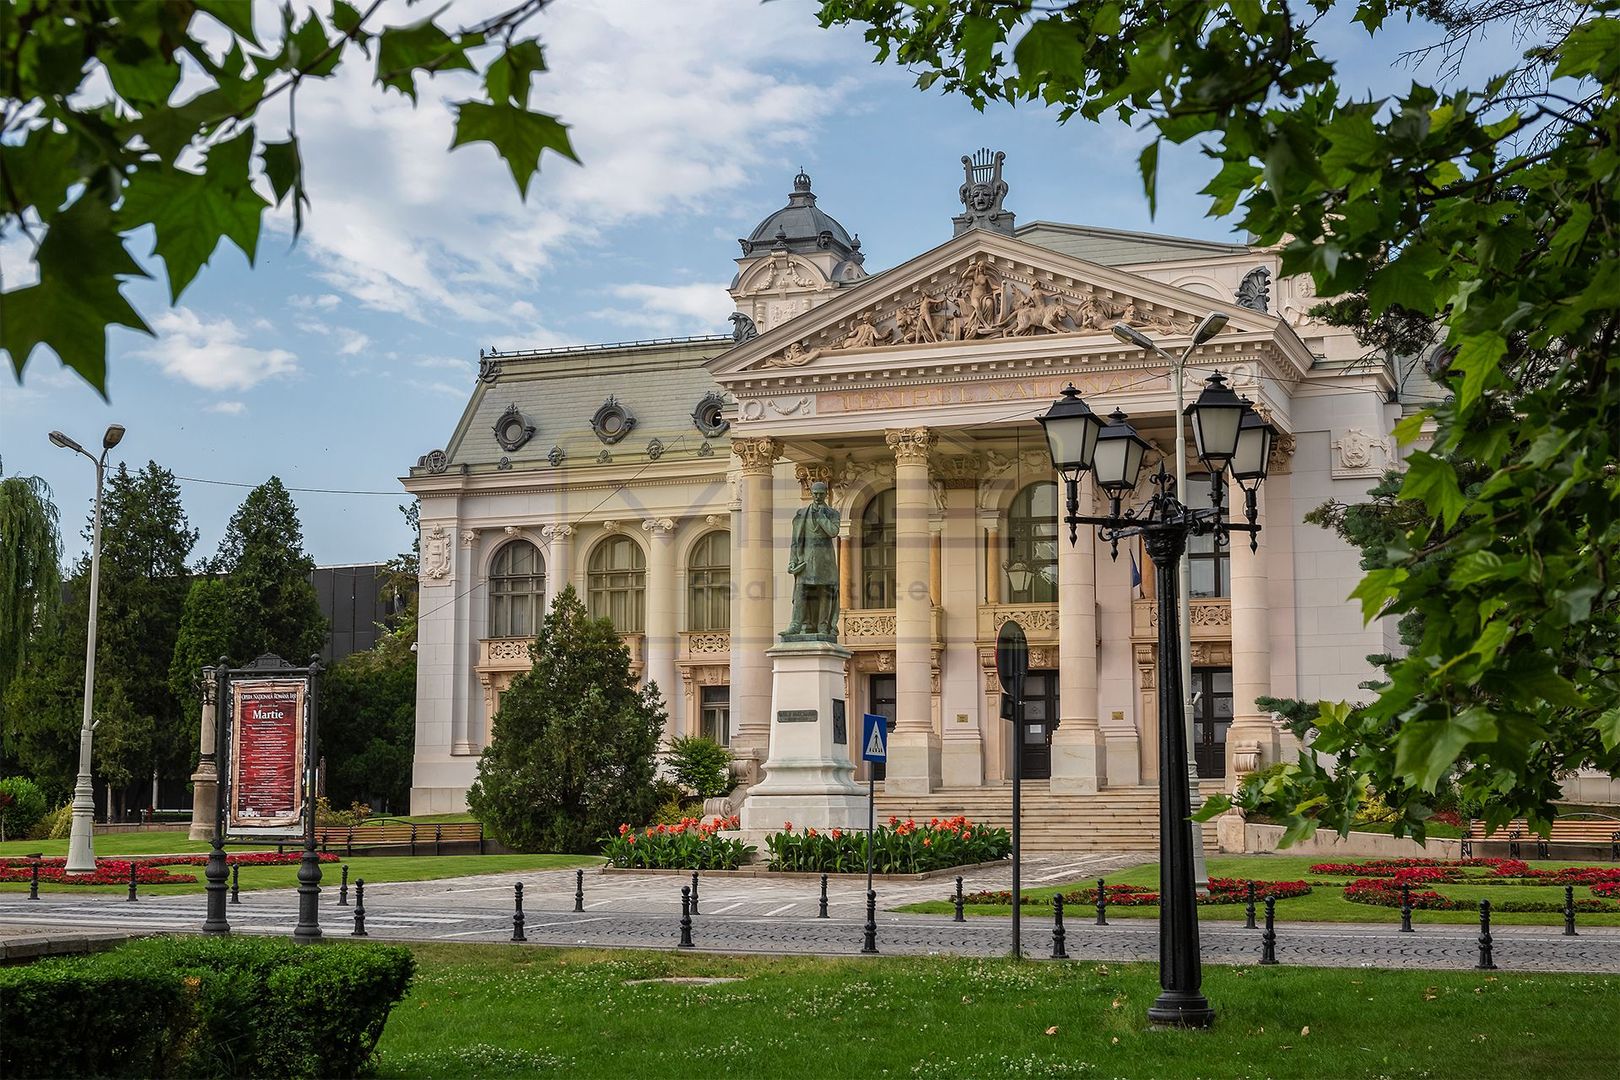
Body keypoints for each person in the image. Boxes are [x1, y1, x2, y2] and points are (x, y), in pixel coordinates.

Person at [784, 482, 840, 639]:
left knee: (825, 593)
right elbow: (795, 541)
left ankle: (823, 626)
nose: (817, 496)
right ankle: (795, 625)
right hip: (805, 560)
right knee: (801, 591)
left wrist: (822, 517)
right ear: (811, 493)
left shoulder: (832, 513)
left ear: (826, 494)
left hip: (825, 560)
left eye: (821, 493)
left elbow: (833, 532)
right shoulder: (801, 514)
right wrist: (792, 561)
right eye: (815, 493)